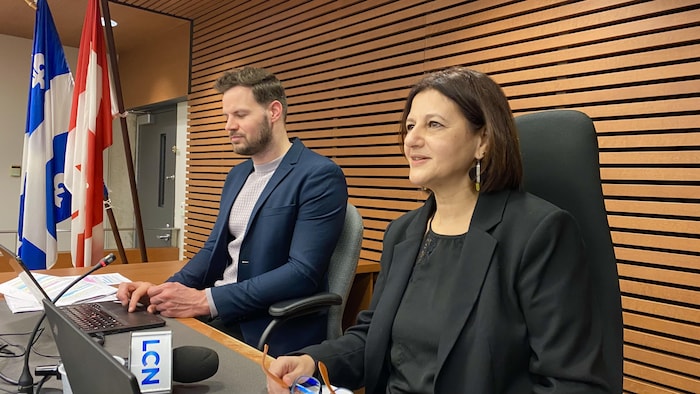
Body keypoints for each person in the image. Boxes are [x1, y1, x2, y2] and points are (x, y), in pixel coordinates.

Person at [265, 67, 609, 393]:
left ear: (483, 141)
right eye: (410, 125)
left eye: (434, 125)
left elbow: (571, 382)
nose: (411, 139)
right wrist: (312, 361)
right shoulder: (402, 232)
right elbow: (373, 337)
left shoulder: (539, 232)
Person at [116, 66, 348, 356]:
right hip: (220, 315)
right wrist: (161, 291)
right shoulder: (237, 176)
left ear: (273, 112)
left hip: (268, 328)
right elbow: (213, 250)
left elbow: (302, 273)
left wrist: (207, 301)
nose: (228, 125)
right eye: (226, 116)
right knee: (129, 351)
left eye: (240, 115)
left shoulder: (318, 175)